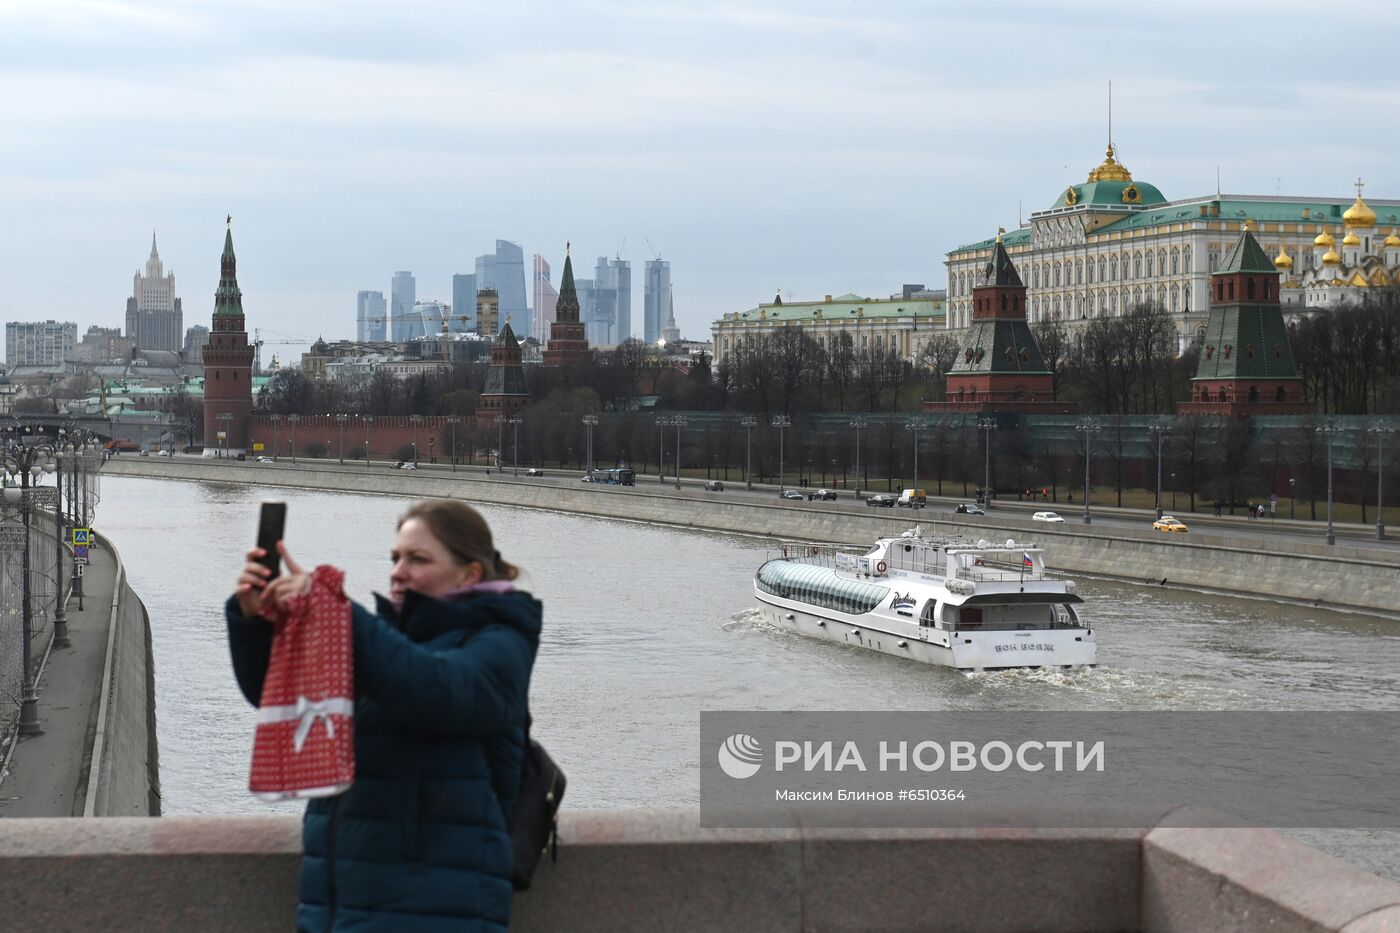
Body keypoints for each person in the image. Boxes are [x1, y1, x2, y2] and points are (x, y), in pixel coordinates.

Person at [228, 499, 541, 931]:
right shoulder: (384, 641)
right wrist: (257, 620)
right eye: (396, 557)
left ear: (468, 573)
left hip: (433, 912)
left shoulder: (500, 643)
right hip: (339, 907)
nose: (397, 571)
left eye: (417, 559)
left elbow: (435, 691)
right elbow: (281, 698)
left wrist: (336, 614)